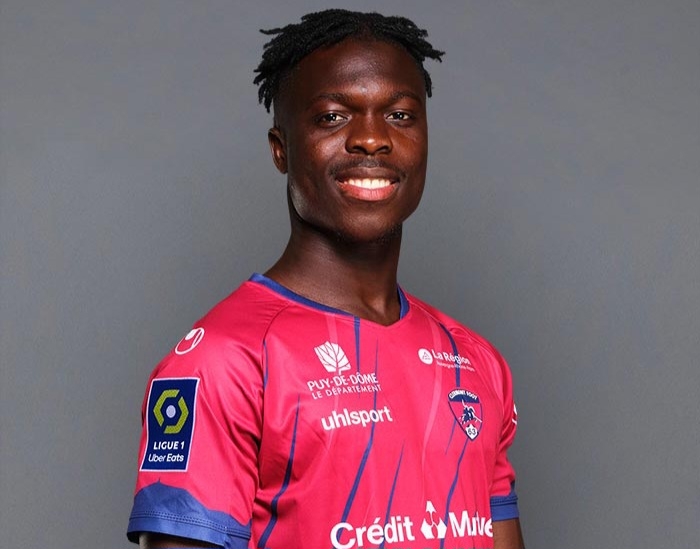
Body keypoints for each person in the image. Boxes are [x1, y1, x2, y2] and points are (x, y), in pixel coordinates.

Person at [127, 9, 524, 549]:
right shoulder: (224, 363)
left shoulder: (476, 361)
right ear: (281, 149)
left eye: (400, 115)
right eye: (334, 117)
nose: (372, 139)